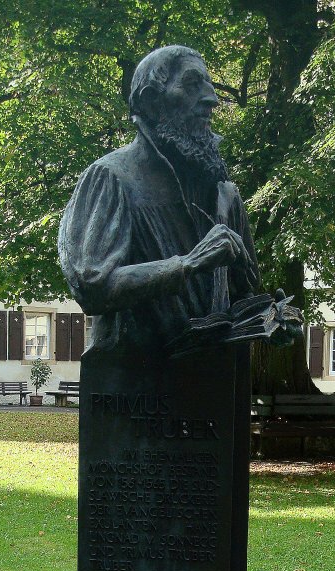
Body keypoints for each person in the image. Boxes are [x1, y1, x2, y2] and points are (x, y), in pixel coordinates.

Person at [58, 45, 261, 355]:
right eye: (192, 85)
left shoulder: (225, 194)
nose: (211, 99)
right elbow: (92, 288)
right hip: (133, 387)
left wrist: (269, 316)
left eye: (209, 85)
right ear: (151, 101)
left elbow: (242, 292)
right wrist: (189, 265)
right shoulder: (112, 177)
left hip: (212, 382)